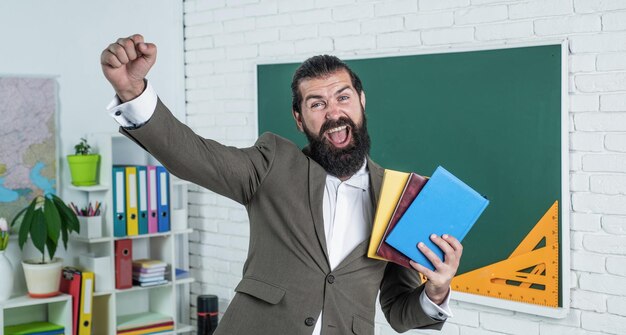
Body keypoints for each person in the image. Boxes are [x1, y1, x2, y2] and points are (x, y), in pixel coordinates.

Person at [101, 34, 463, 335]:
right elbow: (194, 156)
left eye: (343, 97)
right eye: (316, 103)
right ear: (298, 118)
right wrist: (134, 93)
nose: (333, 112)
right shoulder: (272, 163)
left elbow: (400, 311)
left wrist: (437, 288)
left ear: (361, 102)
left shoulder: (399, 198)